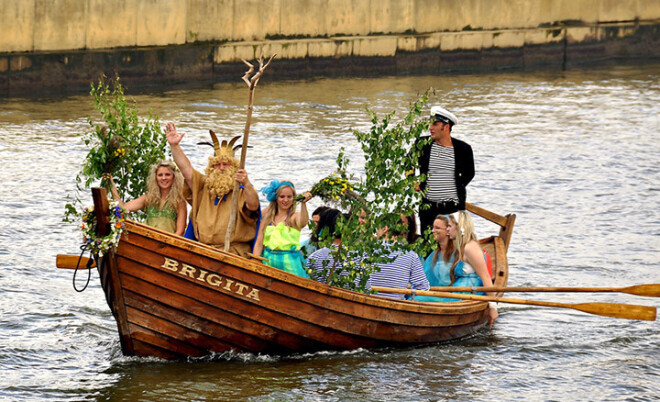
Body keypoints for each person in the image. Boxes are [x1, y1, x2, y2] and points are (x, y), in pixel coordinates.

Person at [165, 122, 260, 256]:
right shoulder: (204, 185)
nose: (221, 168)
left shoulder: (242, 190)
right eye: (217, 164)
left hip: (232, 253)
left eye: (225, 165)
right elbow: (186, 169)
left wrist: (247, 183)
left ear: (233, 167)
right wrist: (174, 146)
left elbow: (253, 205)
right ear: (211, 167)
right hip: (202, 250)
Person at [416, 105, 474, 239]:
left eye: (435, 124)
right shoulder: (422, 144)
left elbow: (470, 173)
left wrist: (453, 186)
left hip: (452, 210)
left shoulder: (464, 149)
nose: (430, 128)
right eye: (430, 124)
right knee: (428, 248)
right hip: (428, 209)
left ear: (446, 127)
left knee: (453, 246)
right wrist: (413, 180)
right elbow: (408, 163)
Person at [107, 160, 187, 236]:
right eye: (160, 175)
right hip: (147, 240)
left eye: (167, 175)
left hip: (166, 245)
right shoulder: (149, 197)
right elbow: (123, 208)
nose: (163, 178)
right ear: (155, 178)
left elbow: (180, 232)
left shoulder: (179, 201)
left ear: (174, 177)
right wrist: (111, 185)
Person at [447, 210, 498, 328]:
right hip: (458, 295)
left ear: (459, 227)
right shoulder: (461, 247)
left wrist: (493, 307)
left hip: (468, 298)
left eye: (449, 226)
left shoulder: (470, 248)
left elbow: (486, 277)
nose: (447, 230)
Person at [253, 180, 312, 277]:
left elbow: (303, 222)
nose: (286, 200)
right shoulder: (268, 216)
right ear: (276, 198)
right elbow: (259, 242)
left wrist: (303, 204)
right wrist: (255, 261)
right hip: (268, 261)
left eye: (289, 197)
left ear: (294, 198)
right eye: (282, 197)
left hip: (289, 264)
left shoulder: (294, 217)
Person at [368, 214, 430, 300]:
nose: (376, 233)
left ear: (384, 228)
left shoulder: (368, 251)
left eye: (377, 229)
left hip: (369, 305)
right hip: (397, 307)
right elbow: (423, 288)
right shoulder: (411, 255)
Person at [414, 214, 457, 302]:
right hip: (438, 294)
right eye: (433, 227)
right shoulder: (435, 254)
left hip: (452, 296)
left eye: (437, 228)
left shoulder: (457, 253)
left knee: (418, 299)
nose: (433, 231)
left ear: (448, 230)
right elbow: (425, 275)